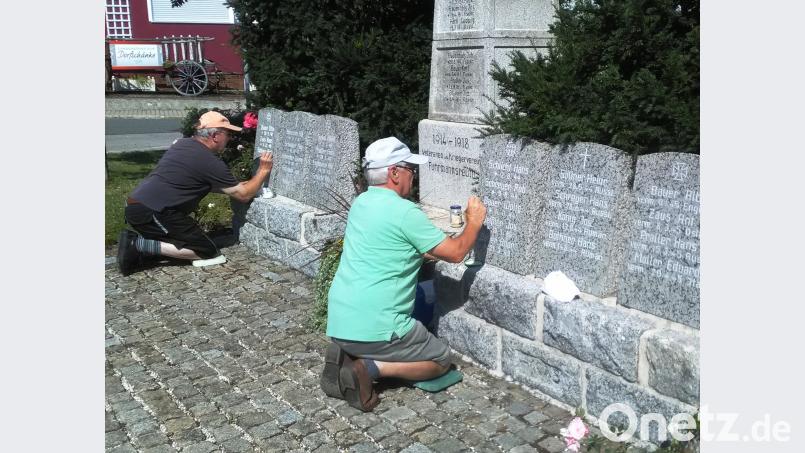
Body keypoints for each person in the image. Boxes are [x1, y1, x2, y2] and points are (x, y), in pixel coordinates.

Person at [321, 136, 487, 411]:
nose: (413, 176)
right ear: (394, 173)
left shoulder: (361, 203)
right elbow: (457, 253)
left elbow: (393, 247)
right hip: (378, 327)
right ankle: (368, 368)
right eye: (410, 169)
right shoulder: (405, 212)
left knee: (376, 333)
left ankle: (349, 352)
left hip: (340, 321)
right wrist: (474, 222)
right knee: (441, 359)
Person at [117, 111, 274, 275]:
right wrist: (263, 170)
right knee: (207, 251)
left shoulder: (183, 144)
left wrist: (234, 186)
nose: (230, 138)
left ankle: (143, 246)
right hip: (153, 212)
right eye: (228, 134)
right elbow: (244, 196)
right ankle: (137, 245)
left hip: (138, 206)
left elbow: (193, 181)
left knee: (185, 242)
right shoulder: (210, 161)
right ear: (215, 136)